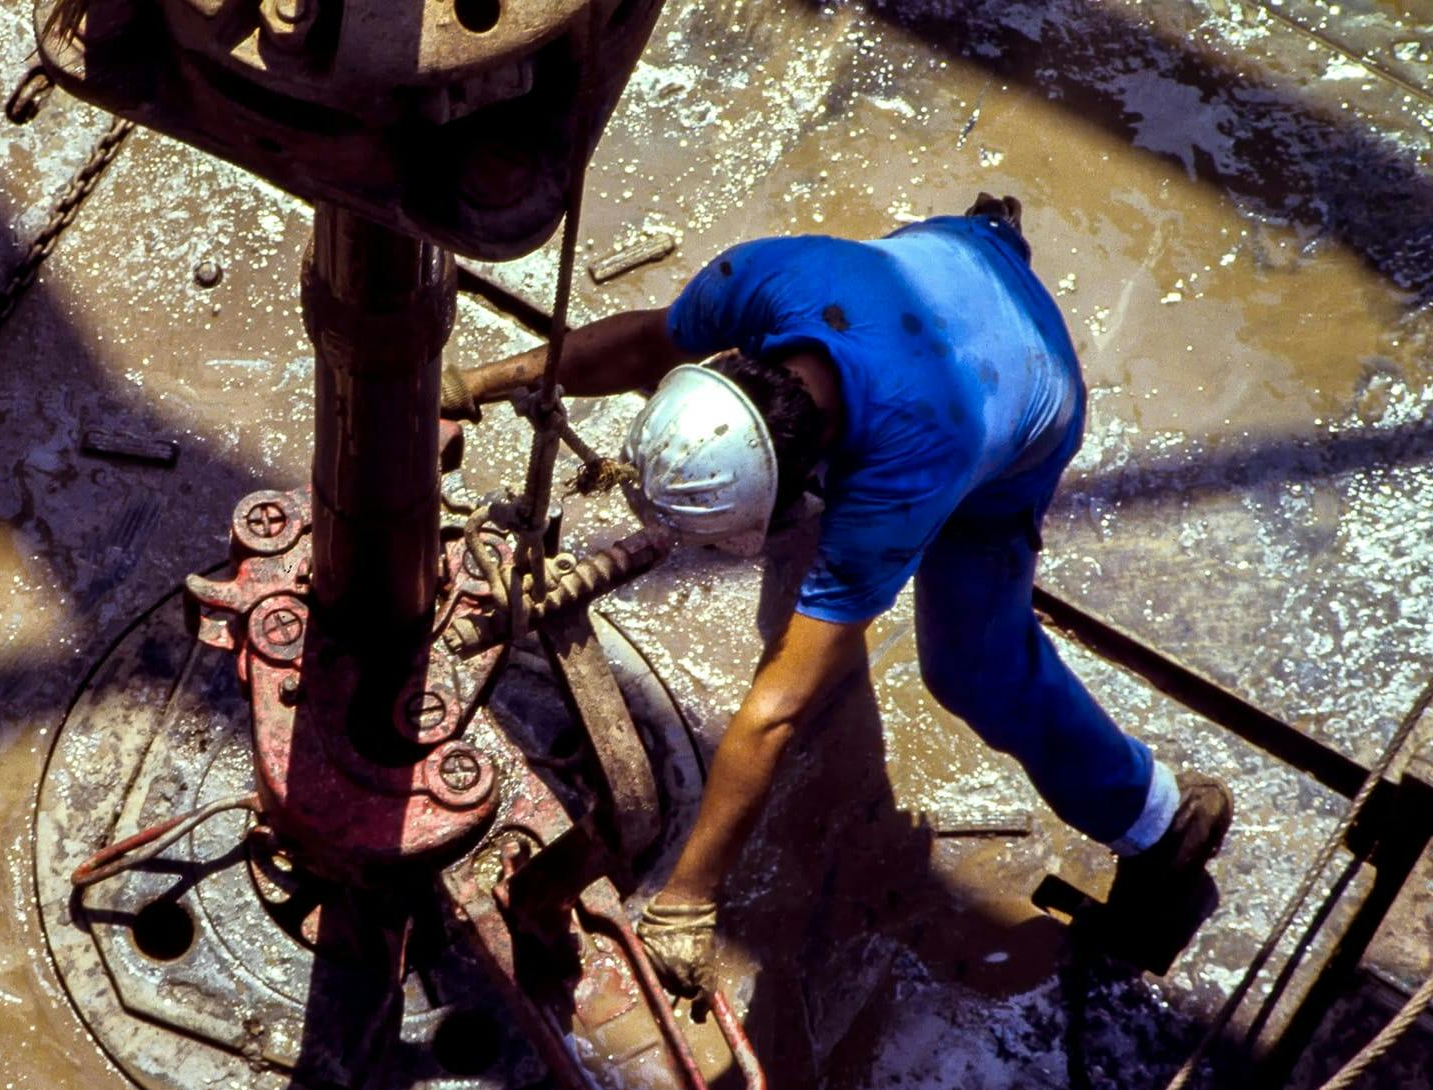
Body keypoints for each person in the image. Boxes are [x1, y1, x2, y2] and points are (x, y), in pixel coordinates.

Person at [441, 195, 1233, 997]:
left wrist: (687, 900)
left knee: (971, 668)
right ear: (724, 367)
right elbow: (648, 343)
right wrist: (480, 381)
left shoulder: (903, 479)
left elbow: (777, 709)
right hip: (948, 260)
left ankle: (1159, 820)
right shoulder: (756, 284)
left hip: (1023, 382)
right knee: (817, 609)